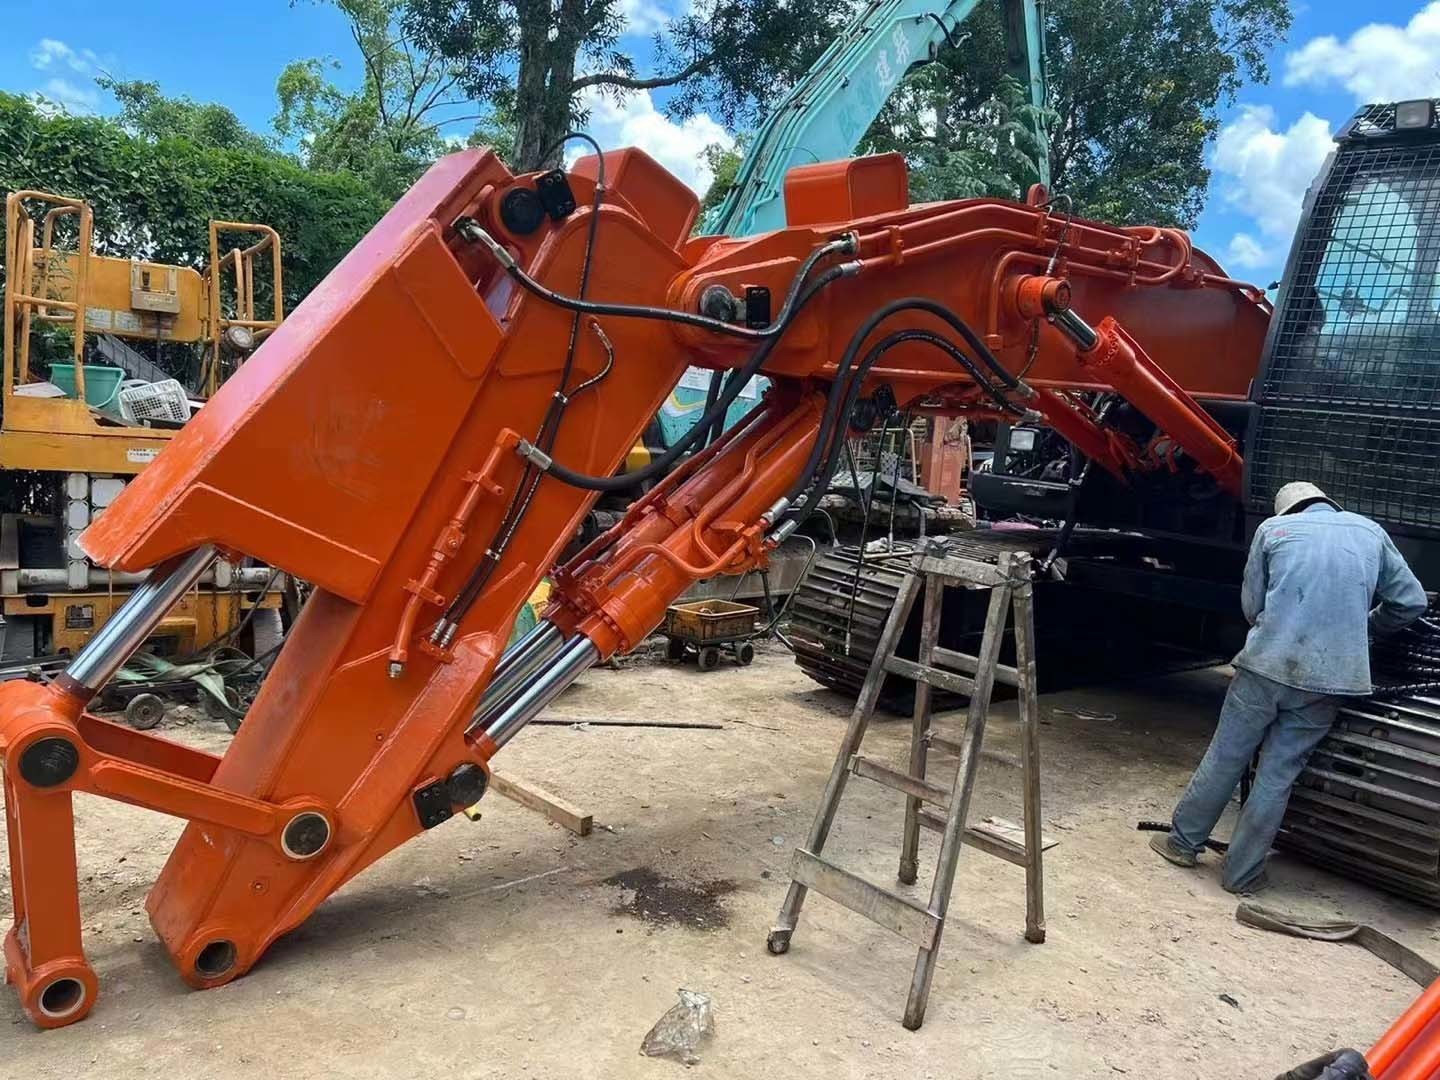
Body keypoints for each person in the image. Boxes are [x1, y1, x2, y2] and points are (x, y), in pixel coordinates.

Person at [1150, 481, 1428, 893]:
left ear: (1287, 511)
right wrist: (1365, 627)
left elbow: (1252, 608)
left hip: (1265, 666)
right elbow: (1412, 602)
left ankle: (1183, 844)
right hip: (1330, 679)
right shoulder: (1370, 532)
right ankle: (1242, 875)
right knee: (1278, 774)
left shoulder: (1272, 531)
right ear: (1327, 504)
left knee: (1226, 756)